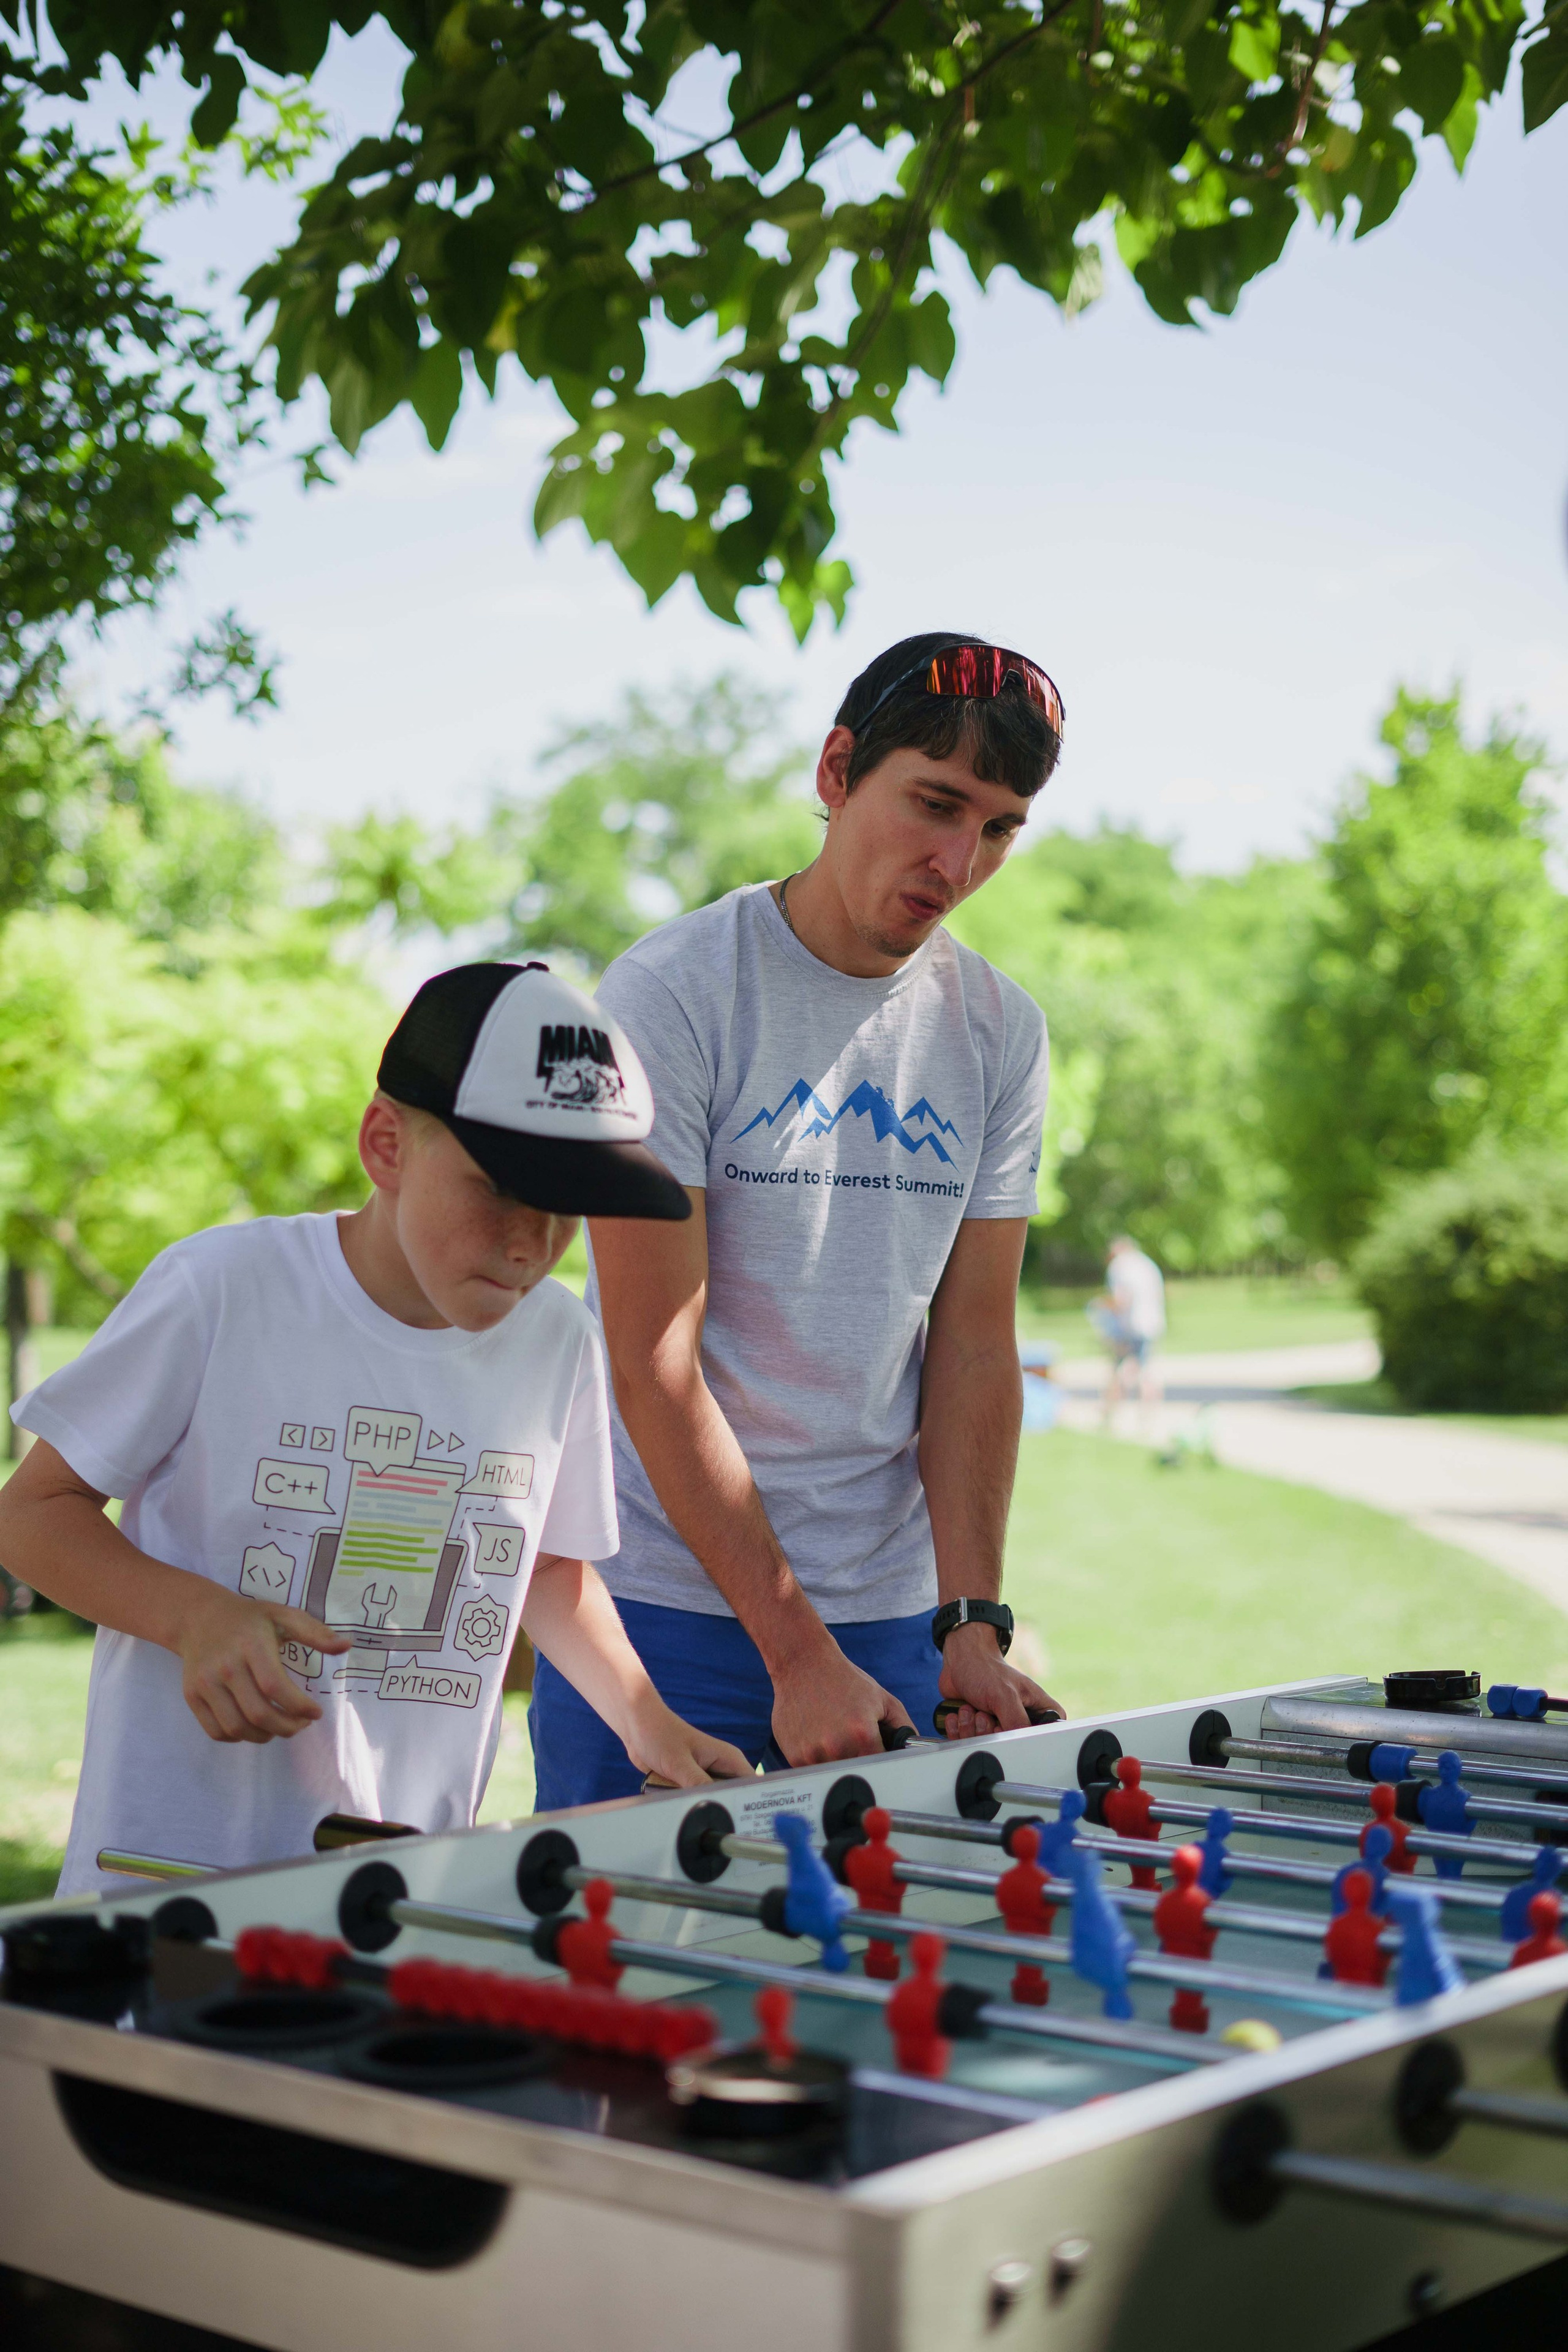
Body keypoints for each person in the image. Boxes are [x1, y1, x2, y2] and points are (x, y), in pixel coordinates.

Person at [0, 963, 750, 1897]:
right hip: (168, 1878)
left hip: (399, 1882)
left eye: (568, 1208)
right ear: (386, 1145)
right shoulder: (223, 1289)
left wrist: (647, 1721)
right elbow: (31, 1515)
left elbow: (546, 1567)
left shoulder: (559, 1342)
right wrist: (191, 1615)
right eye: (500, 1189)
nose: (532, 1243)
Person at [530, 633, 1068, 1807]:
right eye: (934, 803)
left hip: (890, 1618)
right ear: (835, 774)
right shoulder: (670, 993)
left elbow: (974, 1343)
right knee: (619, 1980)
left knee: (879, 1978)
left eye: (998, 827)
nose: (957, 858)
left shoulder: (999, 1033)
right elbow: (651, 1362)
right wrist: (793, 1651)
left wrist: (971, 1621)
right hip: (658, 1608)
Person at [1091, 1234, 1166, 1420]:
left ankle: (1110, 1412)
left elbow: (1121, 1299)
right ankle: (1147, 1414)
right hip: (1151, 1323)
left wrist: (1101, 1307)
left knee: (1122, 1369)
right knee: (1143, 1367)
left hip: (1130, 1326)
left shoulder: (1120, 1266)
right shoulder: (1146, 1264)